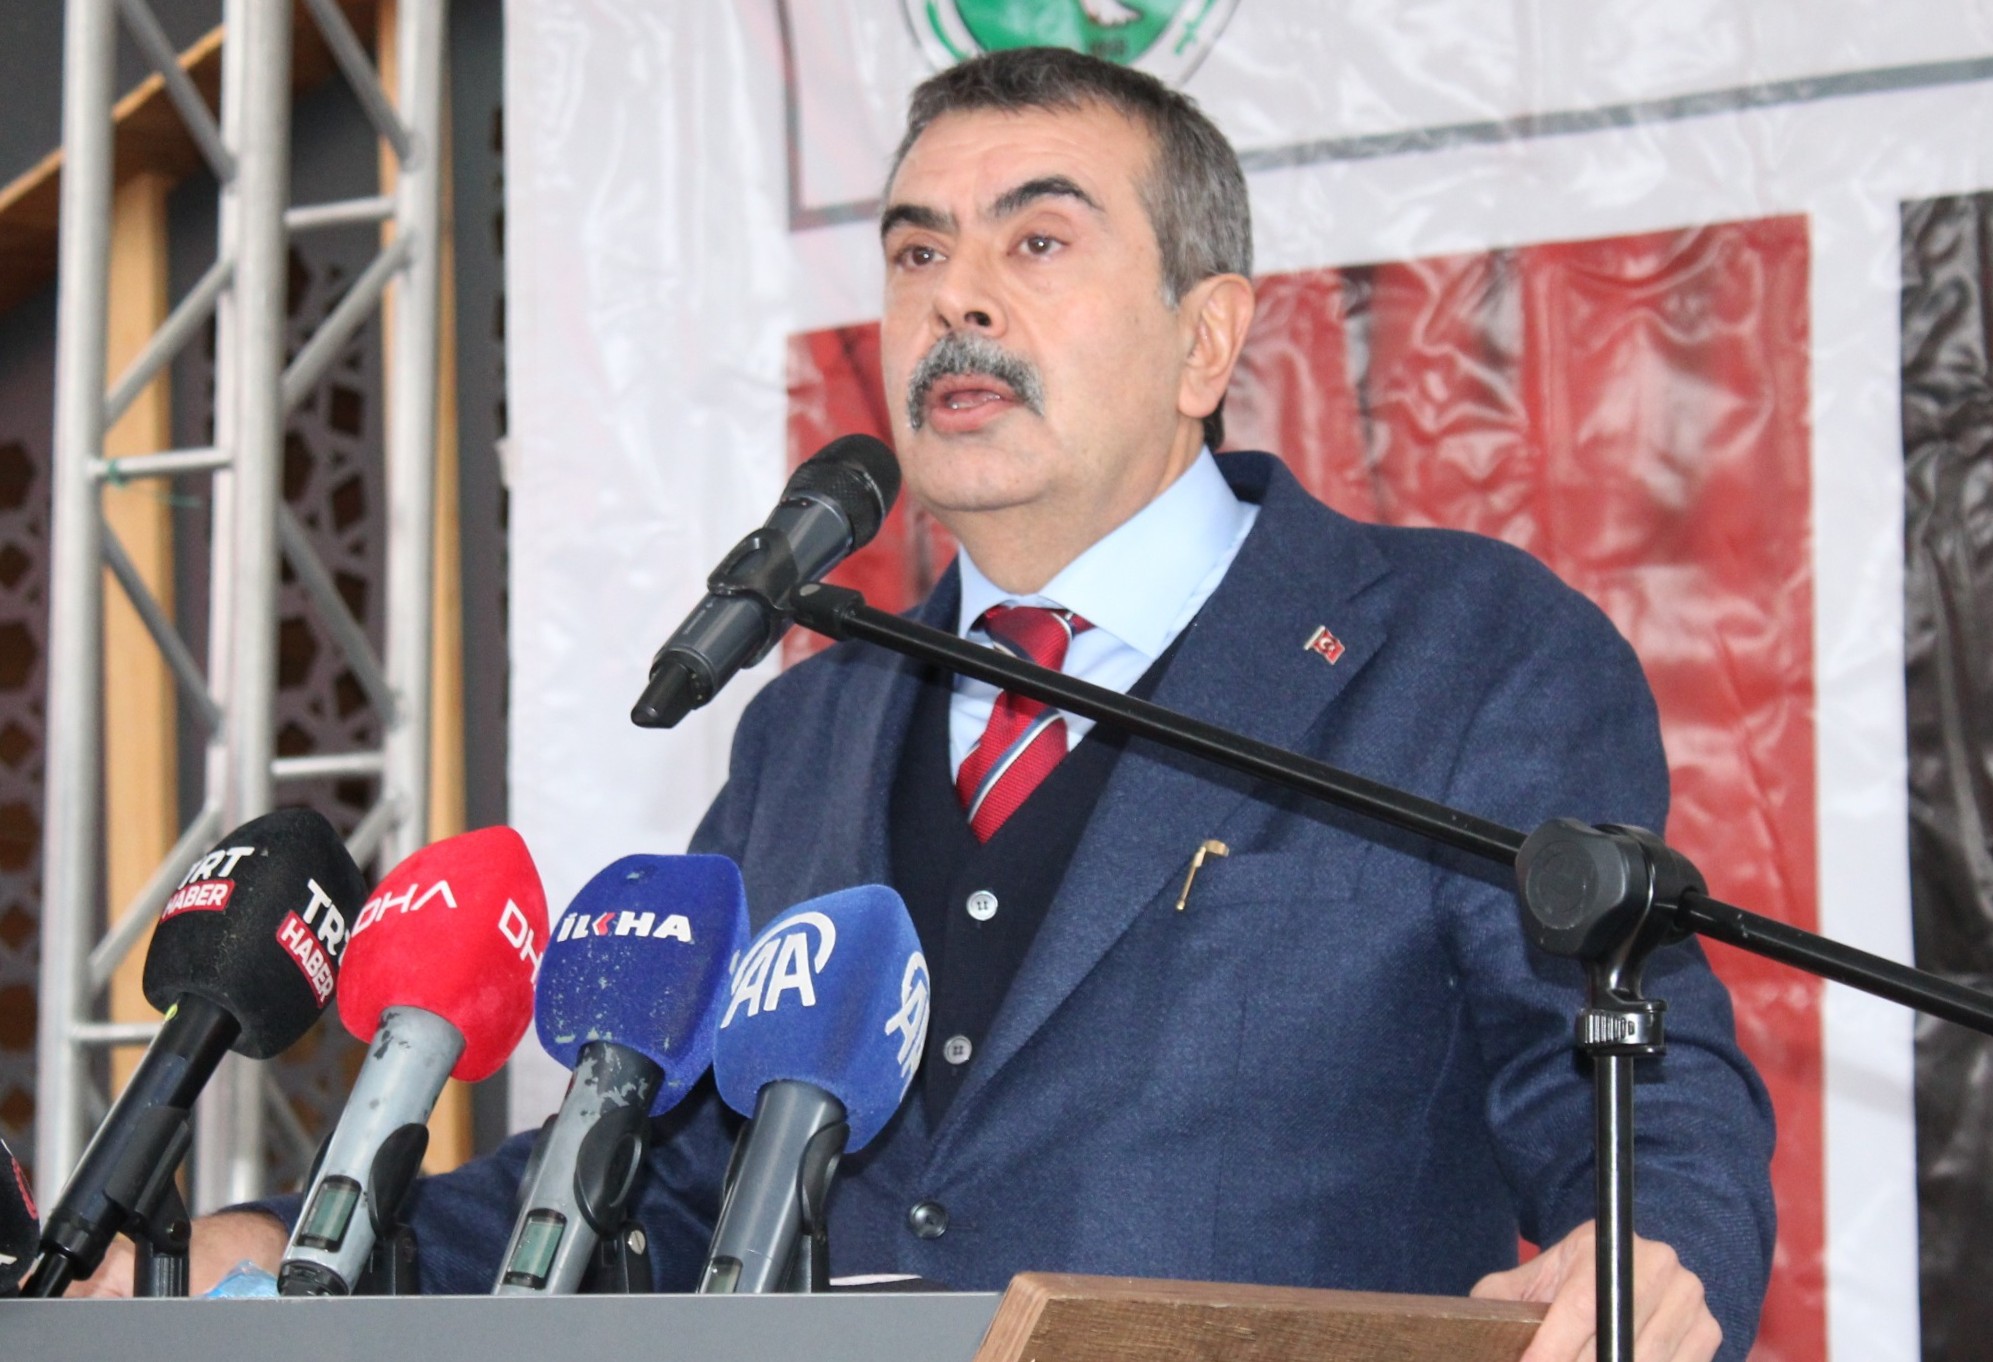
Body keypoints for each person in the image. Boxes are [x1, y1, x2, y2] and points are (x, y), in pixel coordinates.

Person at [75, 46, 1773, 1362]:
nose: (955, 297)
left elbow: (1629, 1073)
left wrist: (1652, 1248)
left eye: (1035, 239)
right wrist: (265, 1247)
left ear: (1205, 340)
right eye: (914, 250)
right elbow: (643, 1167)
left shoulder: (1457, 652)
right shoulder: (807, 729)